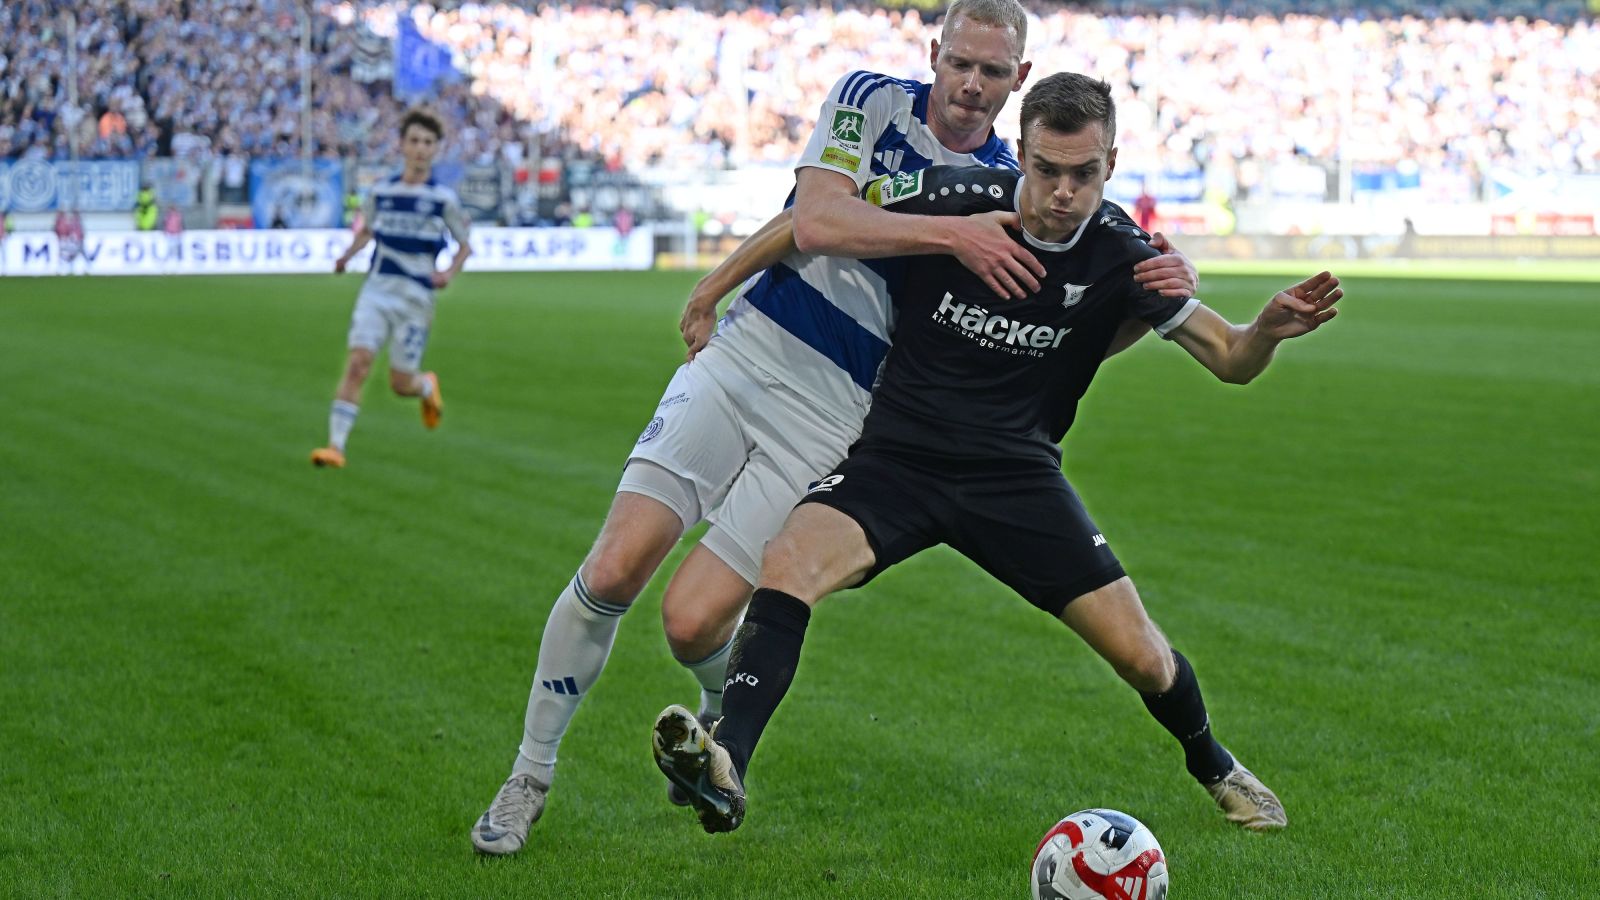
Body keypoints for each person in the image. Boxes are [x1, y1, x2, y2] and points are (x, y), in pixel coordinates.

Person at [469, 0, 1197, 857]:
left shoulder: (1020, 183)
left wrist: (1169, 292)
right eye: (960, 61)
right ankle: (528, 777)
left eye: (993, 72)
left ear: (1019, 82)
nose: (970, 84)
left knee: (692, 623)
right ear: (936, 51)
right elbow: (813, 220)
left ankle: (720, 728)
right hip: (752, 353)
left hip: (840, 409)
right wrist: (717, 284)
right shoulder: (872, 100)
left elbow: (1064, 319)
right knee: (615, 564)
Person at [650, 72, 1342, 836]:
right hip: (897, 461)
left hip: (1016, 479)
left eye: (1084, 174)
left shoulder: (1124, 253)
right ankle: (729, 766)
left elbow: (1230, 357)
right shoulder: (951, 197)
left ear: (1111, 163)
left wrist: (1268, 329)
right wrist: (714, 287)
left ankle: (1214, 762)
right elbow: (814, 218)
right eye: (1046, 170)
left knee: (1144, 656)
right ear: (1022, 153)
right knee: (788, 563)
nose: (1062, 192)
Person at [309, 107, 470, 469]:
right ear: (402, 145)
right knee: (358, 364)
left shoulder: (443, 200)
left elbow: (465, 245)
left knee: (401, 384)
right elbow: (367, 231)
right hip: (377, 291)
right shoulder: (381, 192)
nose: (420, 148)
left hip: (416, 299)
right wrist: (346, 256)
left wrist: (448, 273)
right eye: (414, 140)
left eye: (428, 142)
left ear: (436, 149)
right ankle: (335, 446)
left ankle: (425, 386)